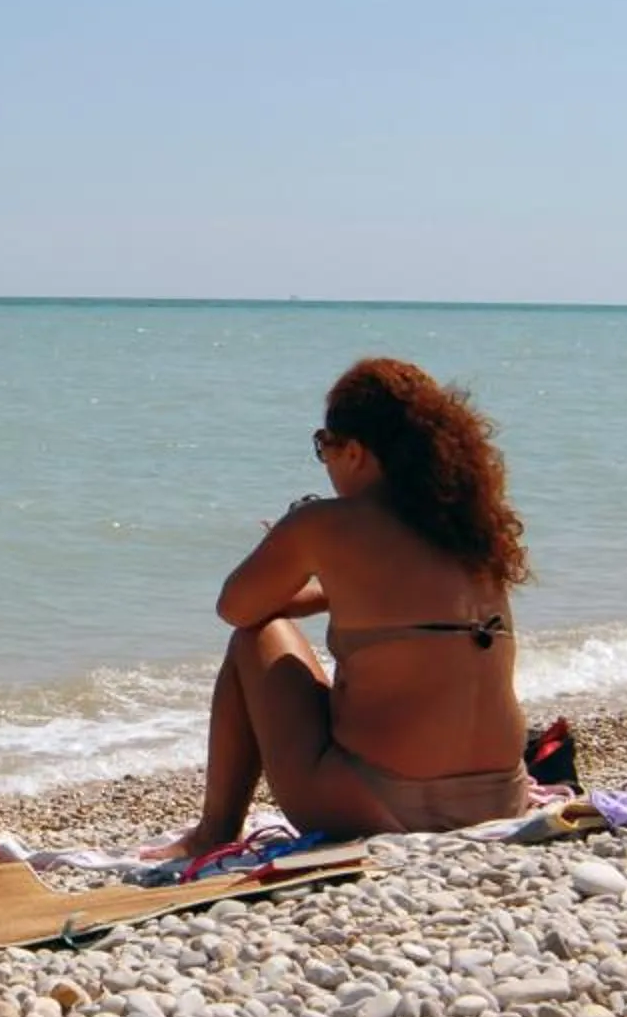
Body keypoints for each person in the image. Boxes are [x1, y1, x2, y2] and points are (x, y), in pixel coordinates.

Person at [170, 356, 533, 853]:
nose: (325, 459)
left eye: (325, 446)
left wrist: (294, 539)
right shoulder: (472, 531)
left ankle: (213, 832)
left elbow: (237, 607)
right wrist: (329, 587)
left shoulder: (325, 523)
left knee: (255, 635)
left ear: (356, 452)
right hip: (501, 799)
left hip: (382, 805)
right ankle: (212, 831)